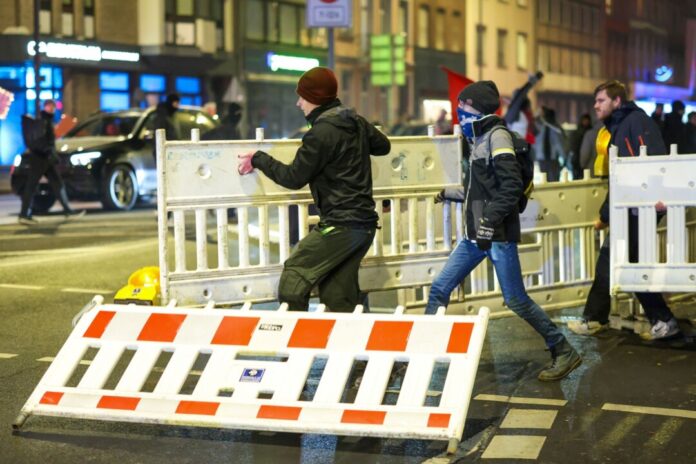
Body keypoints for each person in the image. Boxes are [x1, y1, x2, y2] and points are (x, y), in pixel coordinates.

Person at [426, 80, 582, 382]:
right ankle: (423, 356)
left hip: (495, 235)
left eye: (464, 106)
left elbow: (510, 186)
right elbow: (481, 190)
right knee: (439, 290)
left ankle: (563, 350)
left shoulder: (497, 137)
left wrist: (489, 221)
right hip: (476, 237)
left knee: (516, 300)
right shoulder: (479, 139)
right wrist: (449, 193)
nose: (460, 111)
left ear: (478, 108)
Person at [237, 67, 391, 312]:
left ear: (316, 99)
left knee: (294, 277)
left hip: (341, 224)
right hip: (363, 226)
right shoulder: (354, 121)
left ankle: (296, 343)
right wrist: (357, 128)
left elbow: (293, 177)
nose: (299, 103)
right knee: (339, 296)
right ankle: (349, 346)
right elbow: (383, 146)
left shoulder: (320, 133)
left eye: (303, 97)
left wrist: (259, 158)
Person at [568, 80, 680, 340]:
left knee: (613, 260)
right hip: (633, 206)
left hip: (638, 206)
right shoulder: (622, 124)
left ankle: (598, 319)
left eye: (601, 101)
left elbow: (641, 166)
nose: (595, 106)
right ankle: (660, 319)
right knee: (625, 264)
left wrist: (607, 214)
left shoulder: (633, 122)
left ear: (617, 101)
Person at [18, 100, 84, 225]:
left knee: (56, 184)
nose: (53, 109)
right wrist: (50, 152)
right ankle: (24, 214)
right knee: (33, 186)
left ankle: (67, 211)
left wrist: (52, 154)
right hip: (41, 159)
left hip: (44, 159)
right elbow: (45, 142)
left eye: (54, 107)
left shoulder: (45, 121)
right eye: (51, 106)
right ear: (47, 107)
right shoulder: (44, 121)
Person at [534, 106, 567, 182]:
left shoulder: (555, 128)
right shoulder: (540, 126)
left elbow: (560, 144)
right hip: (542, 159)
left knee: (553, 182)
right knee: (545, 182)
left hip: (552, 159)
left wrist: (564, 157)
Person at [568, 113, 592, 179]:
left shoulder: (590, 133)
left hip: (585, 161)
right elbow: (572, 147)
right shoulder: (576, 133)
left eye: (587, 120)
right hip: (577, 160)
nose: (586, 122)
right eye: (584, 120)